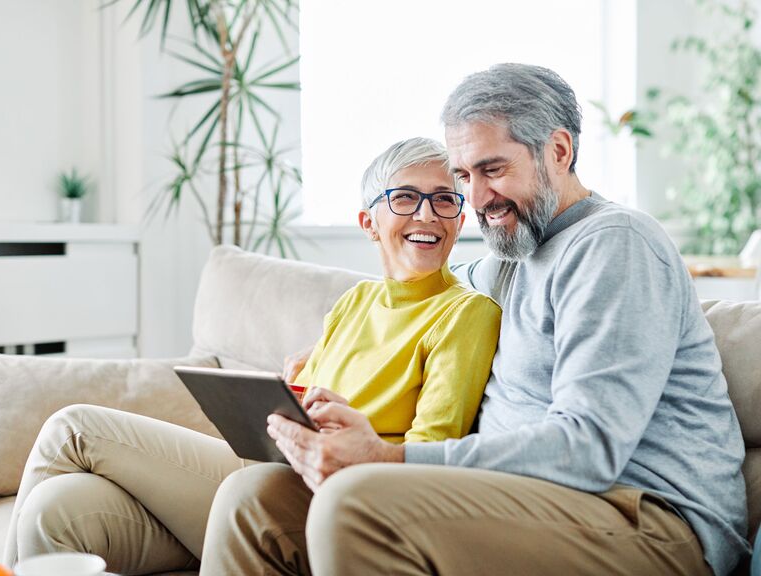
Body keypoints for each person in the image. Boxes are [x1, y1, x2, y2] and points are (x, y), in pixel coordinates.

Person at [224, 64, 749, 575]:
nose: (475, 199)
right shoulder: (510, 257)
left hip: (648, 520)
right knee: (257, 501)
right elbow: (413, 292)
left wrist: (390, 457)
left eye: (493, 170)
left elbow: (589, 448)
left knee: (355, 501)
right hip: (523, 500)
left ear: (559, 151)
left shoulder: (615, 245)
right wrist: (327, 366)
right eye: (463, 175)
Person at [3, 138, 501, 574]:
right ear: (369, 222)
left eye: (444, 200)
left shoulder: (467, 313)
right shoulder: (355, 302)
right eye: (407, 198)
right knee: (57, 507)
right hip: (257, 463)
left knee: (73, 427)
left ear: (459, 219)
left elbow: (431, 455)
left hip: (306, 493)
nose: (427, 215)